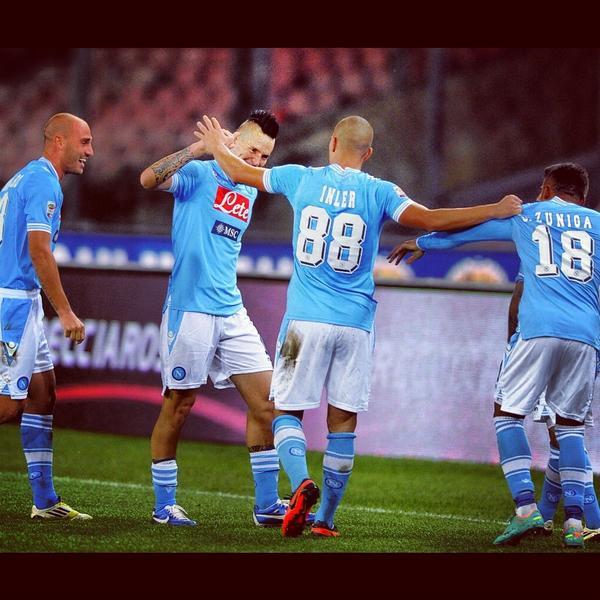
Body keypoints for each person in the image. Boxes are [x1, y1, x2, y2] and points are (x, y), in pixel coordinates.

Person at [195, 113, 521, 537]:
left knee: (287, 410)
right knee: (343, 423)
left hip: (304, 321)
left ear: (331, 142)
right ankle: (326, 520)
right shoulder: (381, 191)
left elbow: (240, 172)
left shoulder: (299, 178)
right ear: (368, 154)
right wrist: (494, 209)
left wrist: (216, 147)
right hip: (355, 324)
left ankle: (301, 482)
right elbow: (432, 218)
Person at [389, 163, 599, 548]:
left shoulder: (529, 214)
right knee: (570, 427)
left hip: (538, 327)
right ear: (582, 197)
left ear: (547, 189)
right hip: (586, 336)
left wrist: (423, 243)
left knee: (507, 414)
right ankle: (574, 524)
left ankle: (525, 508)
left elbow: (472, 232)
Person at [140, 110, 299, 527]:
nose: (258, 161)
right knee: (179, 404)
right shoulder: (198, 174)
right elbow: (148, 179)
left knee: (268, 403)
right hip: (189, 309)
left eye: (265, 156)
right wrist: (198, 149)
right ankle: (164, 506)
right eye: (254, 150)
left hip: (231, 311)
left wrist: (232, 157)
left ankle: (266, 505)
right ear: (234, 140)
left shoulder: (249, 186)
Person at [0, 113, 93, 520]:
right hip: (14, 304)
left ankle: (45, 501)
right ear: (59, 141)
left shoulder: (26, 177)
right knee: (8, 406)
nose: (90, 151)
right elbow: (39, 251)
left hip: (22, 301)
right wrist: (66, 312)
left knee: (43, 392)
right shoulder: (43, 182)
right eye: (84, 142)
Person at [508, 273, 600, 540]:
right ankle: (550, 515)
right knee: (564, 434)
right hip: (584, 341)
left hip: (545, 338)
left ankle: (591, 519)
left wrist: (510, 343)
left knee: (563, 434)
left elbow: (518, 298)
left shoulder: (537, 249)